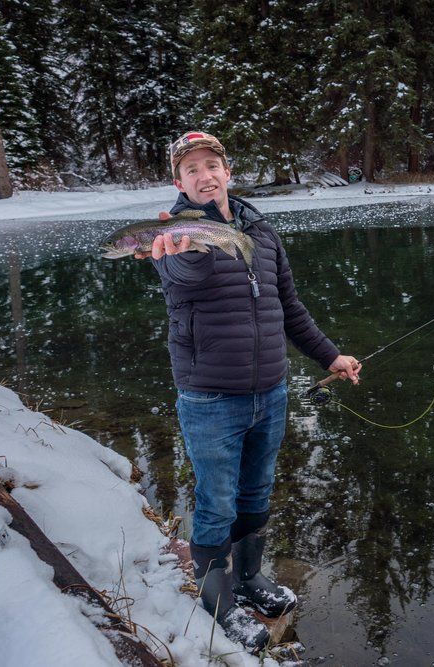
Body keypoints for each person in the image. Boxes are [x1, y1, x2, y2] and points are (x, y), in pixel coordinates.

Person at [135, 131, 361, 650]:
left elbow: (291, 308)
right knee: (216, 502)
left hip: (270, 391)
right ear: (179, 181)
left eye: (211, 164)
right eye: (191, 169)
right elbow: (185, 279)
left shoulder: (262, 229)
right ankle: (217, 600)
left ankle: (249, 578)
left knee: (257, 491)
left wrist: (331, 356)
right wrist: (184, 248)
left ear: (227, 172)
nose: (204, 175)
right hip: (210, 397)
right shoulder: (169, 235)